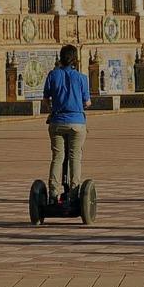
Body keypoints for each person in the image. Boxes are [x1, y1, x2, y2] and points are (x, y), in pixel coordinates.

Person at [43, 44, 92, 203]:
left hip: (57, 122)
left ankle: (53, 193)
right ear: (75, 60)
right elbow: (87, 102)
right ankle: (73, 192)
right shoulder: (81, 78)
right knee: (74, 157)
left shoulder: (52, 75)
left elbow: (46, 99)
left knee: (58, 157)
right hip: (77, 123)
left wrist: (52, 109)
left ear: (61, 58)